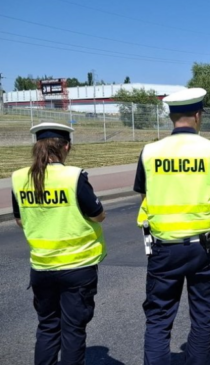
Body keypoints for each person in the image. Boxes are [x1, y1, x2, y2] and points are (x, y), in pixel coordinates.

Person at [134, 88, 210, 365]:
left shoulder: (150, 152)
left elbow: (145, 198)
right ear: (198, 115)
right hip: (205, 248)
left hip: (163, 248)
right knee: (202, 314)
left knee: (159, 317)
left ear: (170, 117)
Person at [11, 122, 107, 365]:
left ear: (37, 147)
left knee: (47, 328)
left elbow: (20, 220)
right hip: (77, 266)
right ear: (66, 147)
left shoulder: (19, 178)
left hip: (42, 267)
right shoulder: (73, 176)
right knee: (73, 330)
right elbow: (98, 214)